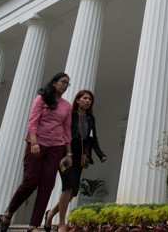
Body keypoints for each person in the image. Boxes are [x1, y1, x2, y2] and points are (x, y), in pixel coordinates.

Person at [0, 72, 72, 232]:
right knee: (30, 182)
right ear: (54, 83)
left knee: (47, 185)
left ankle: (33, 225)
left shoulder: (66, 105)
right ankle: (8, 213)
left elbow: (66, 129)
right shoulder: (42, 99)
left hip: (56, 147)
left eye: (67, 84)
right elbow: (33, 121)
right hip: (37, 144)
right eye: (63, 82)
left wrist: (69, 153)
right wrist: (34, 142)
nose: (65, 85)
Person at [44, 89, 107, 232]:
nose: (87, 101)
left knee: (73, 191)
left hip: (81, 157)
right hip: (66, 154)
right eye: (85, 98)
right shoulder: (70, 115)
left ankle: (51, 213)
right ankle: (61, 223)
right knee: (68, 186)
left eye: (90, 99)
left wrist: (100, 154)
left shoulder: (91, 119)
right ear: (78, 100)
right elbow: (62, 132)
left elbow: (93, 138)